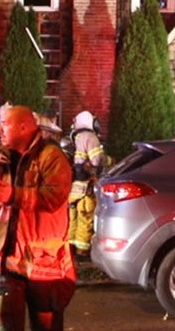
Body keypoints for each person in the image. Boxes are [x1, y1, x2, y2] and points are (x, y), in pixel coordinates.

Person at [0, 104, 75, 331]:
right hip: (7, 259)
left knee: (45, 325)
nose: (0, 130)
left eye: (5, 125)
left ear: (23, 127)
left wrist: (14, 195)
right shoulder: (1, 158)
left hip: (42, 263)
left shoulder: (51, 157)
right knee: (0, 322)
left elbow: (55, 196)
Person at [66, 111, 104, 259]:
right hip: (85, 187)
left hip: (73, 188)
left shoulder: (74, 137)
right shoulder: (90, 137)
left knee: (73, 218)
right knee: (86, 218)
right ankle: (82, 250)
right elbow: (96, 161)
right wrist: (108, 161)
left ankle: (70, 247)